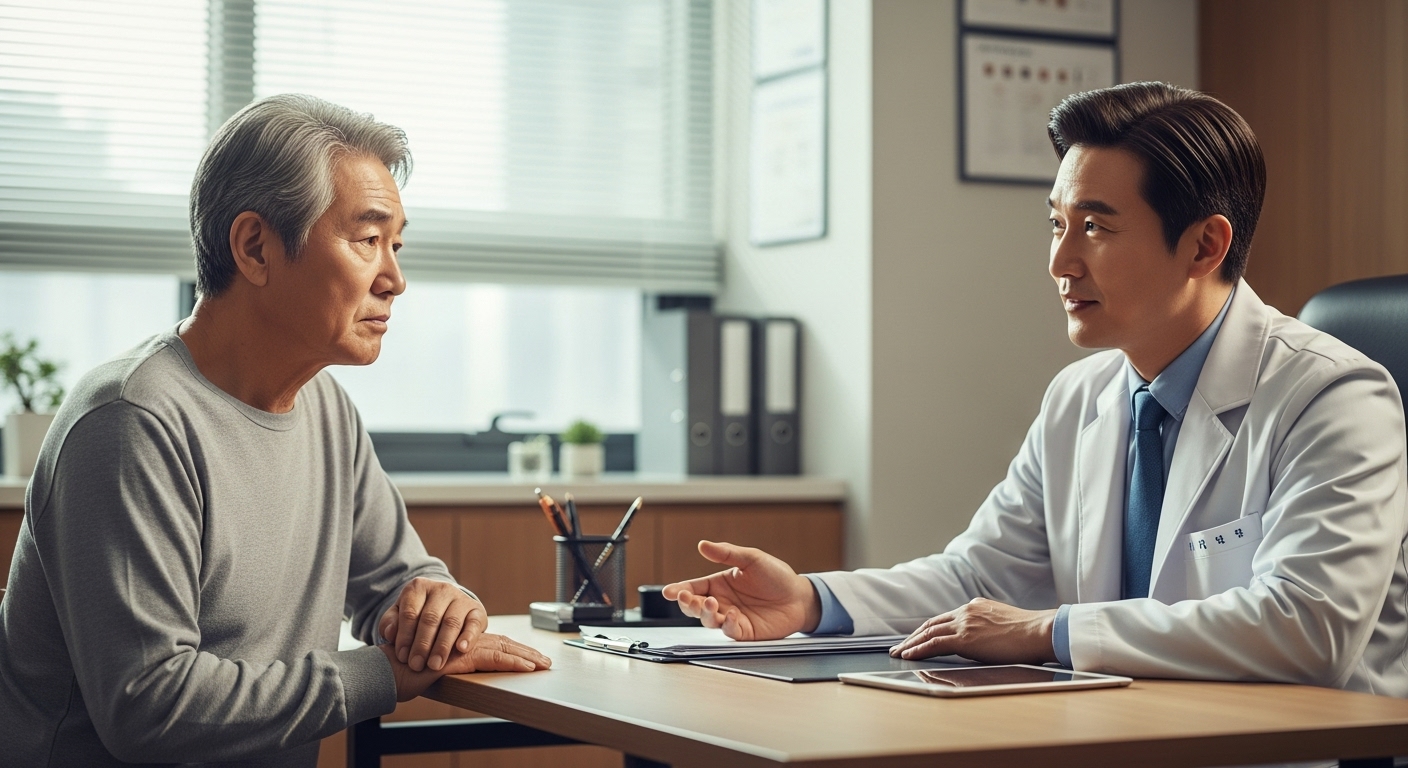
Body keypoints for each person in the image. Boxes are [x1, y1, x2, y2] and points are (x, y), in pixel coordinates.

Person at [666, 82, 1408, 696]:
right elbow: (978, 575)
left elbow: (1309, 629)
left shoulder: (1334, 397)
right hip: (1132, 734)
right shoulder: (1080, 397)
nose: (1060, 260)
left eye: (1096, 228)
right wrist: (811, 601)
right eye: (1057, 223)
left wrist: (1046, 630)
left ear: (1205, 244)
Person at [0, 94, 551, 767]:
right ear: (255, 247)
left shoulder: (326, 409)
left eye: (397, 245)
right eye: (368, 239)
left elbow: (397, 583)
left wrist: (441, 606)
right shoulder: (131, 421)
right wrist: (382, 675)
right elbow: (150, 705)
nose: (396, 280)